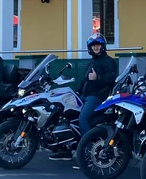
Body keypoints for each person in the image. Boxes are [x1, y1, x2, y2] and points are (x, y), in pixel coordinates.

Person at [49, 32, 117, 162]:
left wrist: (98, 77)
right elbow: (85, 81)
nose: (95, 47)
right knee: (66, 115)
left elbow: (112, 78)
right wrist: (77, 92)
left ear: (103, 46)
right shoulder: (91, 62)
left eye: (98, 45)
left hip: (97, 96)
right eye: (93, 45)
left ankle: (88, 152)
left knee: (83, 120)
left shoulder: (109, 61)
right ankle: (65, 150)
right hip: (85, 95)